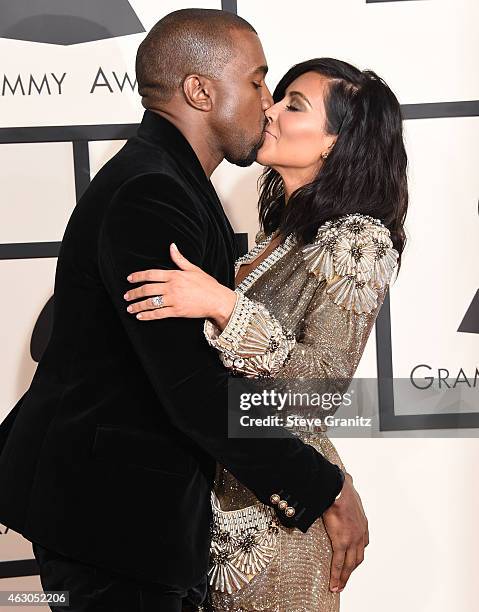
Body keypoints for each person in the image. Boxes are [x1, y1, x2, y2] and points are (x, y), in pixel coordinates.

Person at [0, 11, 369, 612]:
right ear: (200, 91)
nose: (268, 102)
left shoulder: (169, 181)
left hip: (128, 513)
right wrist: (325, 488)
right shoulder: (154, 192)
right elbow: (193, 389)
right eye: (256, 82)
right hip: (110, 519)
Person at [123, 57, 408, 610]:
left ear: (335, 142)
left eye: (293, 105)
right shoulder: (282, 235)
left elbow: (317, 393)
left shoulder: (359, 241)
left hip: (277, 531)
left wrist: (224, 306)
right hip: (224, 503)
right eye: (274, 96)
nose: (270, 111)